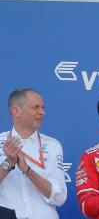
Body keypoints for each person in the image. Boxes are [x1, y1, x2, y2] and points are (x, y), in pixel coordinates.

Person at [0, 88, 67, 219]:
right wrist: (8, 164)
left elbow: (59, 198)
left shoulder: (53, 145)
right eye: (35, 107)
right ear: (16, 111)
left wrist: (28, 170)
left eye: (42, 107)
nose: (42, 112)